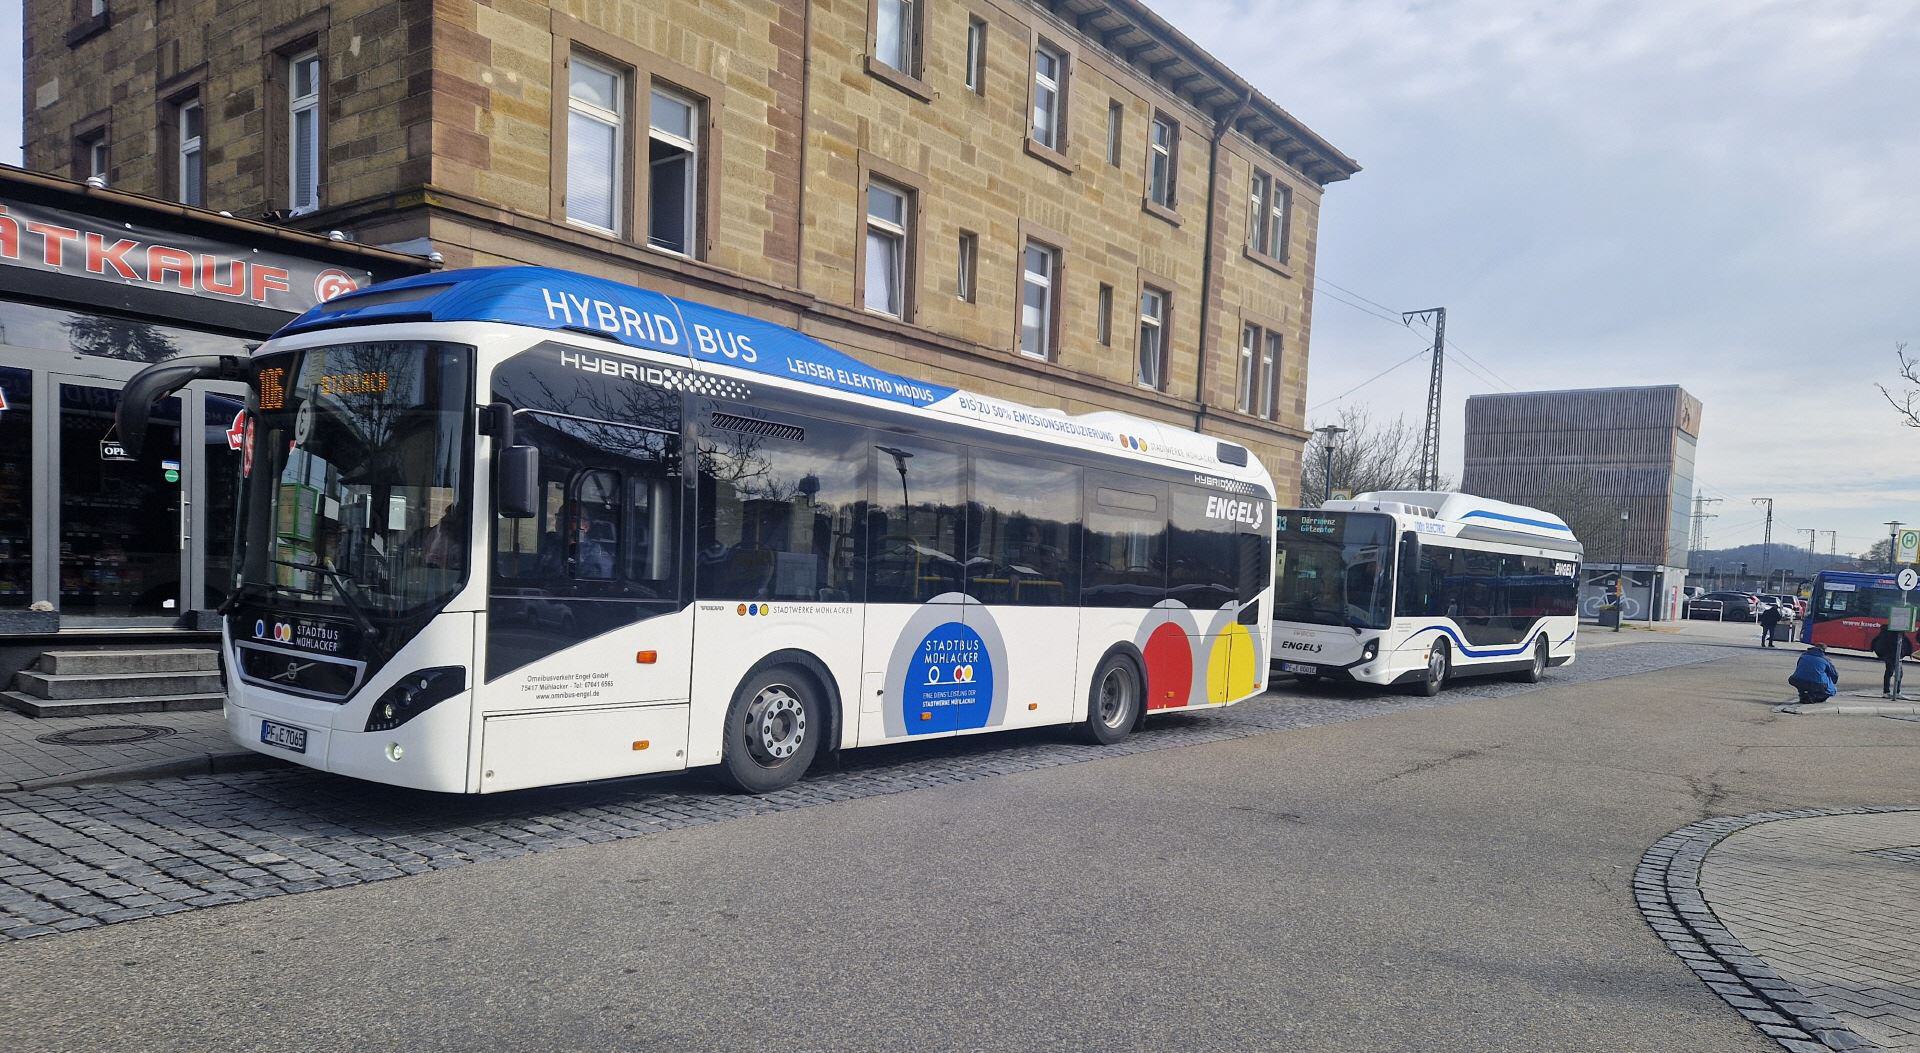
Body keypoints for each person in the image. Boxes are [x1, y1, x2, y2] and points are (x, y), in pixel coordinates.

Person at [1871, 626, 1914, 698]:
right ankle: (1890, 692)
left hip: (1894, 655)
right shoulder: (1894, 632)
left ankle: (1892, 692)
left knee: (1895, 673)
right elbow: (1894, 644)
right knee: (1892, 672)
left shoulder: (1896, 631)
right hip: (1891, 655)